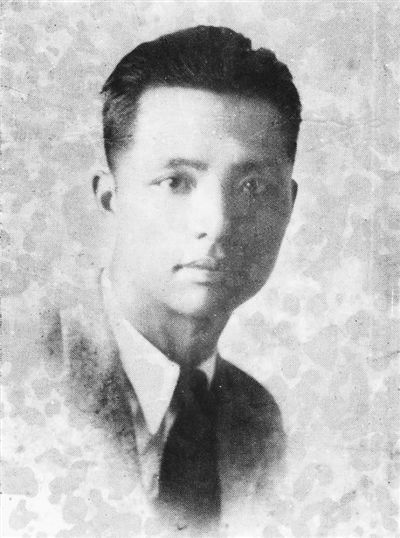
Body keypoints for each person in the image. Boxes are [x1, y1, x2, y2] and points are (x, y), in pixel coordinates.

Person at [5, 25, 301, 537]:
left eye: (253, 187)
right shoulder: (21, 375)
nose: (217, 222)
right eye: (176, 181)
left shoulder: (258, 423)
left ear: (289, 205)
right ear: (110, 198)